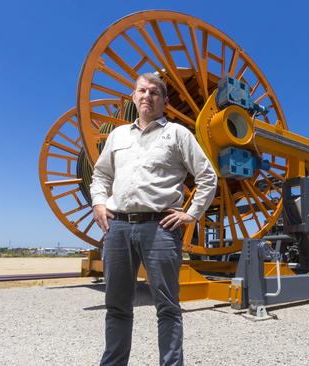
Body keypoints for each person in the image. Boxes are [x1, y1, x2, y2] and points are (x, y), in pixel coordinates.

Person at [90, 72, 217, 366]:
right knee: (117, 307)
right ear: (134, 97)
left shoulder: (178, 134)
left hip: (160, 227)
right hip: (118, 227)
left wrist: (191, 213)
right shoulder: (117, 136)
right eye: (142, 91)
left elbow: (207, 176)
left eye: (154, 92)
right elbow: (101, 175)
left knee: (168, 307)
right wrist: (98, 203)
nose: (147, 96)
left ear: (164, 101)